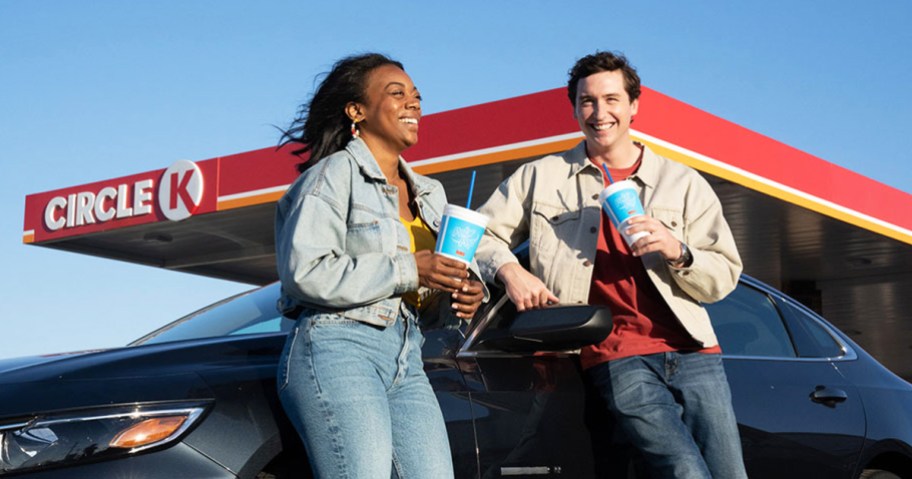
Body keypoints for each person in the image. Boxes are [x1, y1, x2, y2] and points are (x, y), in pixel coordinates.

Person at [474, 50, 748, 478]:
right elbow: (479, 235)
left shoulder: (682, 181)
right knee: (684, 470)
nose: (599, 112)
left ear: (634, 105)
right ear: (574, 108)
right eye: (587, 101)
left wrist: (679, 250)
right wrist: (512, 272)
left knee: (730, 472)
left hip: (696, 351)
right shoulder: (541, 177)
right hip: (616, 352)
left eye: (612, 99)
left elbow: (725, 275)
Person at [274, 53, 485, 479]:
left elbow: (425, 293)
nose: (414, 104)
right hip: (338, 347)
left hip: (408, 355)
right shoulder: (331, 176)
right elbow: (305, 272)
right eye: (397, 93)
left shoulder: (431, 193)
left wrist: (464, 292)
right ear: (357, 111)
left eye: (417, 96)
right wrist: (411, 268)